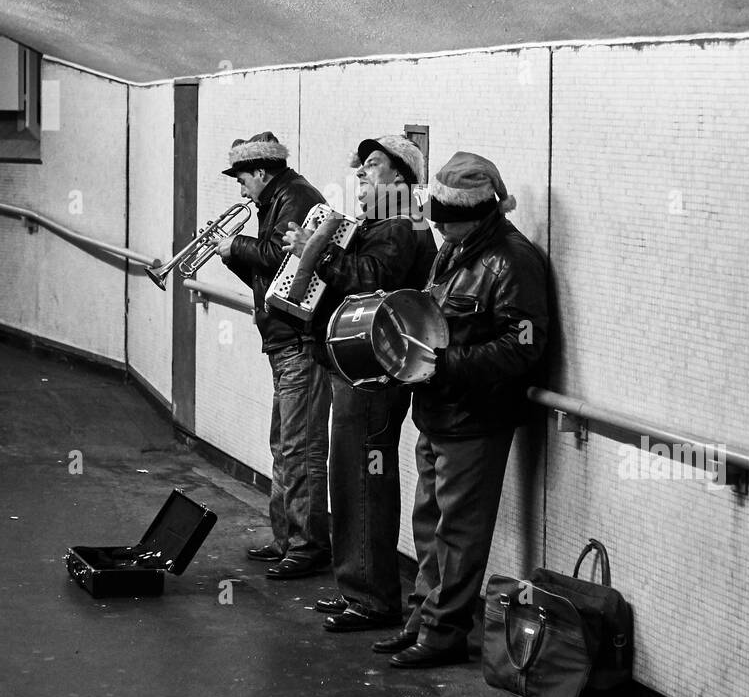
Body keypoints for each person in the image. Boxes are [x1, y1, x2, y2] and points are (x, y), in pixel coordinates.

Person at [372, 150, 549, 668]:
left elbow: (524, 346)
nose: (440, 230)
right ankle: (422, 619)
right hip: (439, 410)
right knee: (429, 523)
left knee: (458, 533)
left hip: (475, 417)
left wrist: (446, 366)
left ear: (481, 213)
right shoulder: (458, 248)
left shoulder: (513, 261)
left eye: (449, 221)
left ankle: (444, 631)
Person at [283, 135, 436, 631]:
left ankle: (371, 597)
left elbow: (368, 279)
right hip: (357, 365)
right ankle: (357, 585)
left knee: (364, 480)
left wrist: (316, 253)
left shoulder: (401, 224)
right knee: (349, 476)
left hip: (374, 372)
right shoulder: (382, 222)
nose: (362, 175)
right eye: (361, 167)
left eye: (373, 165)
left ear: (403, 176)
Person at [216, 131, 332, 579]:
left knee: (299, 448)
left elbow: (285, 258)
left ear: (262, 172)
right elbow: (273, 283)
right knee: (284, 445)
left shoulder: (296, 197)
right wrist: (232, 258)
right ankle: (289, 539)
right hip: (284, 341)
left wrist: (236, 245)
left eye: (242, 177)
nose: (239, 187)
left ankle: (307, 547)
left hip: (300, 344)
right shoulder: (276, 200)